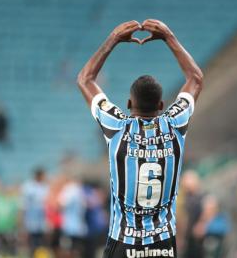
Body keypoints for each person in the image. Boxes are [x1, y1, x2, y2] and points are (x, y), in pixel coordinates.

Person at [77, 19, 203, 258]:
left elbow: (85, 79)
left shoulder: (116, 127)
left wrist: (113, 39)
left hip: (124, 243)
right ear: (161, 105)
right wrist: (168, 36)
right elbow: (195, 78)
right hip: (164, 243)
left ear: (128, 104)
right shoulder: (176, 123)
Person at [21, 168, 49, 257]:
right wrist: (23, 220)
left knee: (41, 242)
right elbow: (24, 205)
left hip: (41, 220)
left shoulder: (45, 187)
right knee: (32, 242)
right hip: (31, 220)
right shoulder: (28, 187)